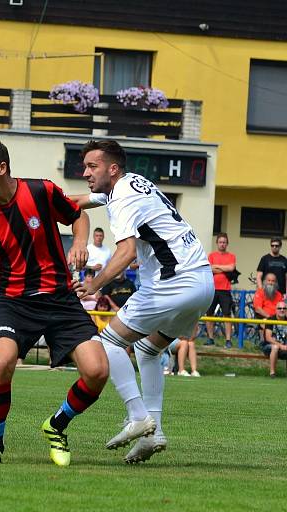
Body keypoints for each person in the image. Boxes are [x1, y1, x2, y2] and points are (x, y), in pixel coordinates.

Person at [0, 138, 107, 467]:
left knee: (97, 371)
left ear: (1, 168)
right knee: (1, 362)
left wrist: (81, 243)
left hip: (60, 298)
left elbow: (77, 215)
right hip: (13, 301)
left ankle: (56, 426)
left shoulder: (40, 191)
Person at [73, 139, 213, 464]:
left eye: (92, 167)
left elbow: (126, 251)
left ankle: (138, 416)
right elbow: (80, 200)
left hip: (173, 282)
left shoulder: (121, 197)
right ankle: (154, 432)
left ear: (112, 168)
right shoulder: (134, 182)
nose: (85, 173)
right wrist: (34, 202)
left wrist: (94, 284)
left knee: (105, 342)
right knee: (148, 349)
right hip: (202, 282)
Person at [205, 233, 236, 348]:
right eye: (220, 242)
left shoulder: (231, 256)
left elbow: (231, 268)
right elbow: (209, 268)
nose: (222, 244)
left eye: (224, 242)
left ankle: (228, 340)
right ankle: (210, 338)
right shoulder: (211, 255)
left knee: (227, 315)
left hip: (225, 290)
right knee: (209, 314)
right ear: (217, 243)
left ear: (227, 244)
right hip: (212, 289)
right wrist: (224, 268)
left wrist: (217, 267)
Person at [253, 273, 283, 340]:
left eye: (273, 281)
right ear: (265, 282)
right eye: (268, 280)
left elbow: (282, 308)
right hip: (264, 317)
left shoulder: (279, 295)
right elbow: (258, 309)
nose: (270, 283)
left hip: (277, 318)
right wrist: (269, 317)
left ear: (276, 283)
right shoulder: (260, 292)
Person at [263, 303, 287, 378]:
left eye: (284, 308)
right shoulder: (270, 320)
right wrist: (281, 346)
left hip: (284, 346)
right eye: (279, 308)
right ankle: (272, 372)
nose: (282, 310)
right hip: (269, 347)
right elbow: (268, 338)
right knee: (275, 347)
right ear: (276, 310)